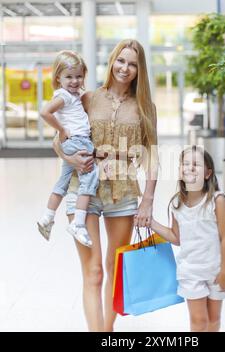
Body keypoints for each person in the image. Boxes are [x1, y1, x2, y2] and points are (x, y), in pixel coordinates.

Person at [53, 39, 158, 332]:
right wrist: (69, 156)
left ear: (140, 70)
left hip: (123, 193)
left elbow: (152, 154)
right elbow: (59, 138)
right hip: (83, 189)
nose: (125, 68)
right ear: (112, 62)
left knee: (114, 269)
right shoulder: (87, 98)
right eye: (121, 61)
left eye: (133, 64)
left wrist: (148, 199)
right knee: (94, 271)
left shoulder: (145, 107)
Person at [151, 146, 225, 332]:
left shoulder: (217, 201)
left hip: (217, 270)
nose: (189, 168)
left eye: (196, 164)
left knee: (214, 320)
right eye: (185, 164)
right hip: (190, 271)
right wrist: (152, 224)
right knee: (199, 322)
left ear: (208, 173)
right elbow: (176, 237)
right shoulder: (177, 204)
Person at [38, 50, 99, 248]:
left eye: (79, 76)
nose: (74, 81)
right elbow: (45, 112)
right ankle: (78, 223)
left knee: (63, 181)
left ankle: (47, 217)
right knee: (90, 178)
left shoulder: (72, 95)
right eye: (69, 77)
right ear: (58, 77)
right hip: (78, 141)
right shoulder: (65, 96)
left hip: (74, 143)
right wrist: (62, 129)